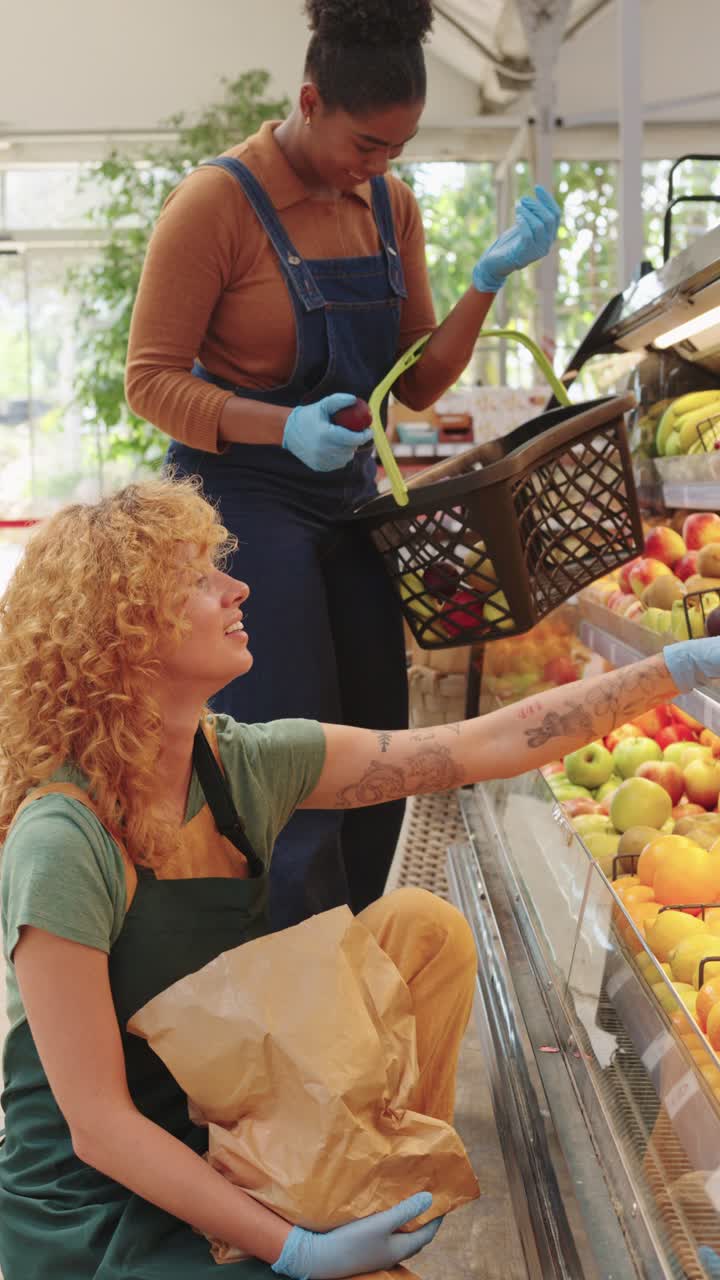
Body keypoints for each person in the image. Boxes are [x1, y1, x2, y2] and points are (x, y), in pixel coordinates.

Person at [1, 478, 719, 1280]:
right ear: (126, 630)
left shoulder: (239, 763)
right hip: (100, 1201)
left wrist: (671, 669)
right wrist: (295, 1250)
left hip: (233, 1129)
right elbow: (97, 1126)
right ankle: (343, 1234)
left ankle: (384, 1186)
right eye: (199, 578)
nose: (238, 587)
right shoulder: (63, 839)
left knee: (421, 929)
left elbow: (477, 746)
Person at [125, 0, 562, 930]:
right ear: (310, 100)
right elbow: (150, 383)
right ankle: (281, 972)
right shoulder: (215, 205)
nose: (380, 167)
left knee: (378, 741)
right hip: (240, 501)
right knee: (281, 749)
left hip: (351, 502)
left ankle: (356, 946)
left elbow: (418, 385)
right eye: (367, 145)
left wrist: (486, 281)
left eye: (398, 149)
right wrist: (276, 428)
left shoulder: (387, 205)